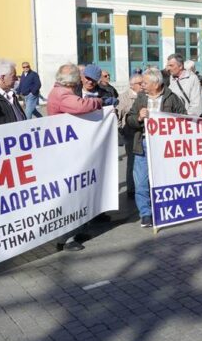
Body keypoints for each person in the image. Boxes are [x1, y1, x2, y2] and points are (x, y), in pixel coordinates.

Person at [47, 63, 105, 252]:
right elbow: (81, 105)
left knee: (78, 192)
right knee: (70, 195)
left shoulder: (60, 90)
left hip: (71, 149)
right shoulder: (62, 94)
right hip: (65, 152)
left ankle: (77, 230)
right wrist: (100, 102)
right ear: (72, 80)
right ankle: (66, 238)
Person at [127, 68, 186, 228]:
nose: (142, 85)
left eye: (145, 83)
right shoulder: (140, 98)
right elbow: (129, 119)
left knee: (165, 179)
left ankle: (165, 209)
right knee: (141, 181)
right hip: (143, 145)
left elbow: (184, 119)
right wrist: (139, 118)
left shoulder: (172, 98)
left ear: (156, 84)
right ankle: (145, 214)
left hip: (164, 146)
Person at [117, 74, 143, 199]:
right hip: (130, 134)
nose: (142, 85)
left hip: (143, 133)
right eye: (140, 83)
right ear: (132, 85)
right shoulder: (123, 97)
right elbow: (117, 115)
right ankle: (131, 189)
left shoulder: (144, 95)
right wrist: (121, 131)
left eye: (143, 83)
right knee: (132, 162)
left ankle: (143, 187)